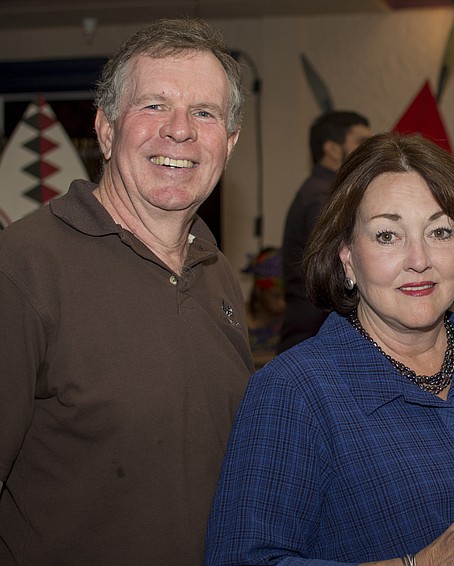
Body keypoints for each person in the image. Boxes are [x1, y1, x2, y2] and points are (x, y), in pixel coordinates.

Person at [205, 132, 454, 565]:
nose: (419, 258)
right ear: (347, 257)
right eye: (387, 236)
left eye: (440, 231)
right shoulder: (294, 393)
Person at [0, 18, 254, 565]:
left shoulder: (218, 275)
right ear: (106, 128)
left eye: (204, 113)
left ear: (228, 144)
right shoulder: (21, 269)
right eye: (155, 105)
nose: (180, 131)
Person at [278, 110, 371, 352]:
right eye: (360, 142)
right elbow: (338, 272)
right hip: (315, 337)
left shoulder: (331, 193)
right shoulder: (323, 198)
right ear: (331, 149)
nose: (368, 150)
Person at [242, 246, 286, 368]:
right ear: (259, 290)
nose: (282, 302)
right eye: (275, 295)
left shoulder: (290, 324)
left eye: (286, 296)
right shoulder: (237, 320)